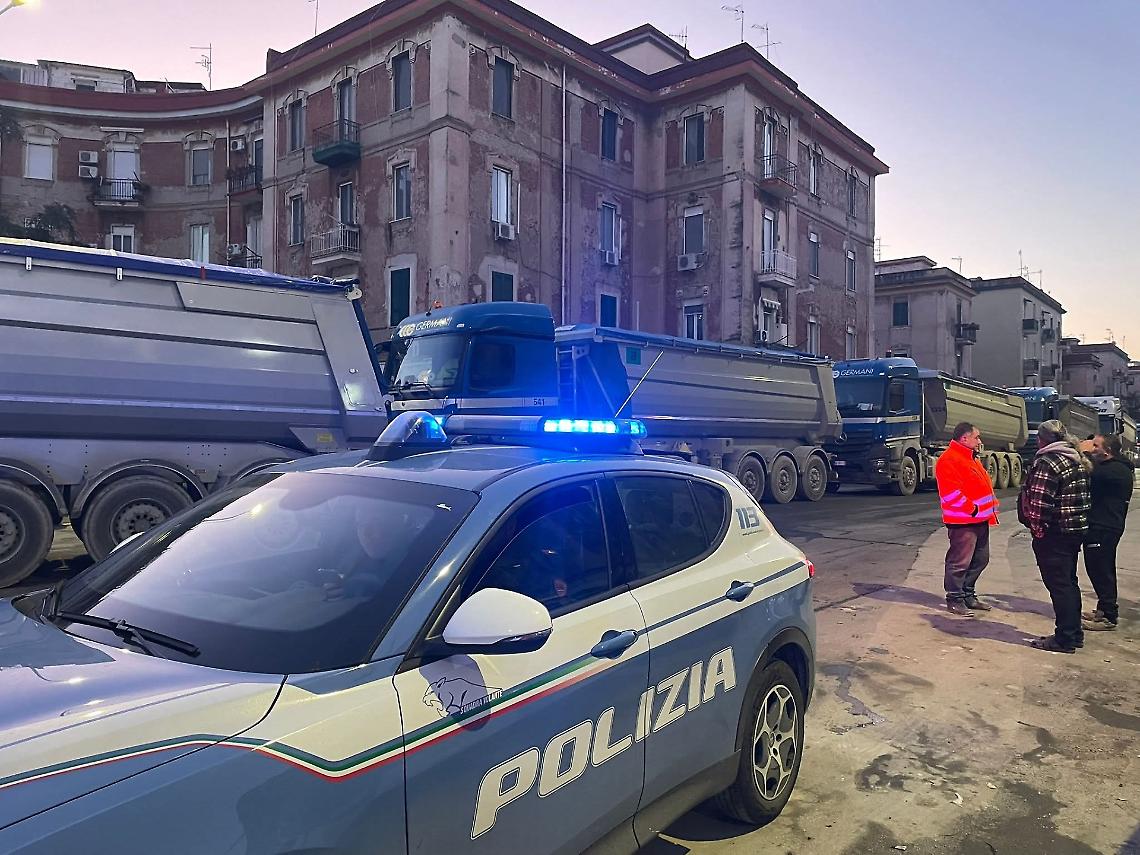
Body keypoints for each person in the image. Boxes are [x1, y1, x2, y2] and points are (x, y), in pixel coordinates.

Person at [1018, 419, 1091, 653]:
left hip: (1055, 533)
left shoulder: (1048, 462)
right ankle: (1074, 633)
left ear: (1041, 439)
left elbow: (1039, 504)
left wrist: (1037, 531)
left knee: (1060, 586)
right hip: (1074, 530)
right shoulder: (1077, 459)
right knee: (1069, 583)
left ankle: (1065, 638)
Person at [935, 421, 999, 617]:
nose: (979, 441)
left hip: (979, 519)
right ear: (964, 438)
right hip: (964, 521)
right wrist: (973, 510)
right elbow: (951, 493)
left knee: (980, 560)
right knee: (959, 562)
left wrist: (989, 506)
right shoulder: (950, 460)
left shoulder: (970, 457)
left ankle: (967, 594)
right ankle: (954, 599)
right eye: (976, 437)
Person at [1080, 434, 1133, 631]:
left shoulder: (1115, 470)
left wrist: (1082, 451)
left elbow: (1089, 473)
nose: (1092, 448)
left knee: (1101, 570)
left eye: (1096, 445)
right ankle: (1104, 609)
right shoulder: (1112, 467)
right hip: (1101, 525)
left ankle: (1109, 616)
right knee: (1099, 568)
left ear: (1107, 450)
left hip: (1104, 526)